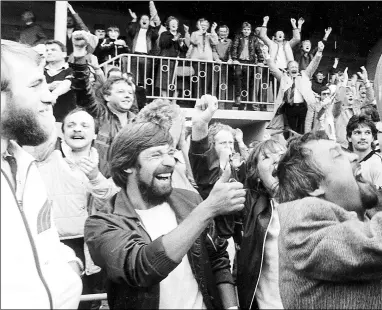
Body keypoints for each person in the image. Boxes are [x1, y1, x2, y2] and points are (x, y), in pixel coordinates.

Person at [84, 121, 245, 309]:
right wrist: (208, 209)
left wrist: (231, 307)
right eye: (156, 154)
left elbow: (218, 259)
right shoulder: (102, 224)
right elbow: (141, 269)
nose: (170, 162)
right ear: (127, 164)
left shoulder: (190, 201)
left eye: (170, 153)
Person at [1, 39, 82, 309]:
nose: (49, 96)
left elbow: (42, 240)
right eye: (36, 84)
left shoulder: (22, 162)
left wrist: (68, 264)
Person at [275, 130, 382, 309]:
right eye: (338, 155)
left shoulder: (365, 216)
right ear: (314, 185)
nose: (355, 156)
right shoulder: (301, 219)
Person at [27, 107, 119, 309]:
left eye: (85, 125)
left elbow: (110, 204)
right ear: (61, 131)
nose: (77, 130)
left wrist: (95, 177)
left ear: (95, 133)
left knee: (90, 301)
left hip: (92, 244)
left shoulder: (105, 164)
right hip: (57, 242)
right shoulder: (47, 157)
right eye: (71, 125)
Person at [68, 41, 136, 178]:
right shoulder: (99, 113)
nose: (127, 95)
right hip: (97, 182)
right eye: (121, 91)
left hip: (128, 185)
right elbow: (83, 92)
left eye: (130, 93)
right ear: (107, 96)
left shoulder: (138, 122)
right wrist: (80, 58)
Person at [236, 139, 286, 309]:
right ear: (256, 173)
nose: (276, 160)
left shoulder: (310, 203)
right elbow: (209, 182)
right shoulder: (250, 206)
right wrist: (200, 130)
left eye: (281, 154)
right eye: (266, 157)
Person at [265, 41, 325, 139]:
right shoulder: (283, 77)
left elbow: (313, 65)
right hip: (289, 108)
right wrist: (266, 56)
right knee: (290, 131)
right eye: (292, 67)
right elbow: (273, 69)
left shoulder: (305, 75)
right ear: (288, 70)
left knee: (302, 131)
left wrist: (319, 52)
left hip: (303, 107)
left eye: (296, 67)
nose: (294, 68)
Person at [135, 98, 197, 192]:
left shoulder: (179, 155)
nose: (180, 128)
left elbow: (195, 182)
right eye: (177, 124)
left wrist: (183, 144)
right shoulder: (146, 155)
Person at [126, 5, 161, 88]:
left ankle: (144, 97)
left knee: (145, 80)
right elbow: (130, 30)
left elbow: (155, 35)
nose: (144, 20)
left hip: (146, 57)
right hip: (135, 56)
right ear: (139, 21)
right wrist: (134, 19)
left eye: (147, 19)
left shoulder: (150, 31)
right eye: (142, 19)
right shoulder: (136, 30)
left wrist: (152, 26)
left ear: (149, 22)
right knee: (133, 78)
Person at [156, 16, 189, 101]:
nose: (174, 25)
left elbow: (184, 49)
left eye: (175, 23)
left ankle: (174, 100)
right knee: (164, 80)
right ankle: (166, 100)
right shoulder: (164, 34)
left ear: (177, 25)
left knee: (177, 81)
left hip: (177, 61)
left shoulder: (179, 35)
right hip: (166, 60)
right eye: (172, 24)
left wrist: (181, 44)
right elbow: (163, 44)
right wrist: (173, 39)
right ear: (168, 25)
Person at [231, 22, 263, 109]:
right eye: (245, 29)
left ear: (250, 30)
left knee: (249, 83)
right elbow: (234, 47)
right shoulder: (238, 37)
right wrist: (234, 59)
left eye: (248, 29)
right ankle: (239, 99)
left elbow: (258, 49)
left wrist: (260, 60)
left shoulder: (254, 39)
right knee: (238, 77)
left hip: (250, 62)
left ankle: (249, 104)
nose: (246, 31)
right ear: (242, 30)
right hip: (240, 62)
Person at [44, 40, 76, 122]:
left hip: (65, 119)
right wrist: (49, 86)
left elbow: (67, 83)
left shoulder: (72, 70)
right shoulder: (40, 71)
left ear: (64, 54)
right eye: (47, 50)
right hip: (44, 118)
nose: (49, 52)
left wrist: (54, 94)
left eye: (53, 50)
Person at [186, 18, 220, 97]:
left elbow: (215, 42)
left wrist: (213, 31)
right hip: (196, 60)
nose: (203, 27)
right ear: (198, 26)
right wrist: (201, 32)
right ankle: (196, 101)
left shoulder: (209, 34)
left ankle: (204, 101)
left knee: (206, 82)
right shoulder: (195, 33)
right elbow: (194, 41)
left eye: (205, 25)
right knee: (196, 81)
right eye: (202, 25)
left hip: (208, 61)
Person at [346, 114, 382, 188]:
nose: (363, 137)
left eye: (367, 133)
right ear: (349, 137)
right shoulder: (344, 162)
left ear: (372, 138)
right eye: (357, 133)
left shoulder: (377, 163)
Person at [213, 25, 233, 103]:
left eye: (224, 31)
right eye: (221, 31)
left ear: (227, 33)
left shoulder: (229, 41)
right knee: (214, 83)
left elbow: (230, 51)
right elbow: (213, 50)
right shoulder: (215, 40)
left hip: (225, 64)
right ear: (218, 32)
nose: (223, 33)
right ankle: (213, 103)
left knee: (223, 84)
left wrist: (230, 59)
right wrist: (217, 59)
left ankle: (221, 103)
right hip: (216, 64)